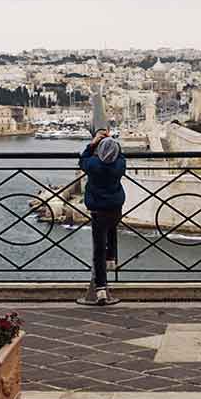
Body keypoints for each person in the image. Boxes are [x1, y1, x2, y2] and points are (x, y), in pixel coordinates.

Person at [78, 129, 125, 306]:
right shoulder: (119, 166)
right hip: (115, 208)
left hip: (98, 212)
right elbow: (121, 155)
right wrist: (113, 141)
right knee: (112, 230)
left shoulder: (92, 165)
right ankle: (112, 258)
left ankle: (101, 289)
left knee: (99, 250)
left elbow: (82, 160)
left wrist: (93, 143)